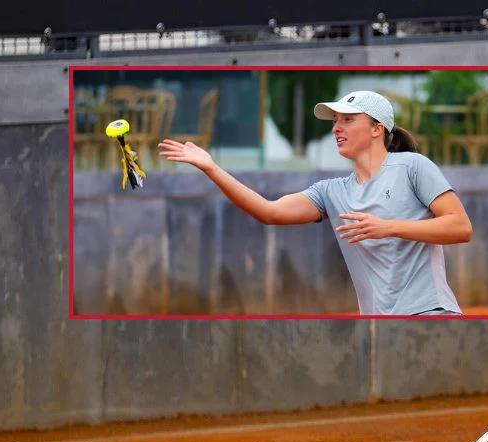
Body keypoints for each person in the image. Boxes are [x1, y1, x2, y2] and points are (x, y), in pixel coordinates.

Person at [158, 90, 471, 315]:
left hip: (431, 312)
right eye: (335, 121)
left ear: (377, 129)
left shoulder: (412, 166)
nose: (336, 128)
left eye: (348, 120)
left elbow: (460, 227)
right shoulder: (331, 191)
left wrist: (388, 227)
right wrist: (212, 168)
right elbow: (269, 212)